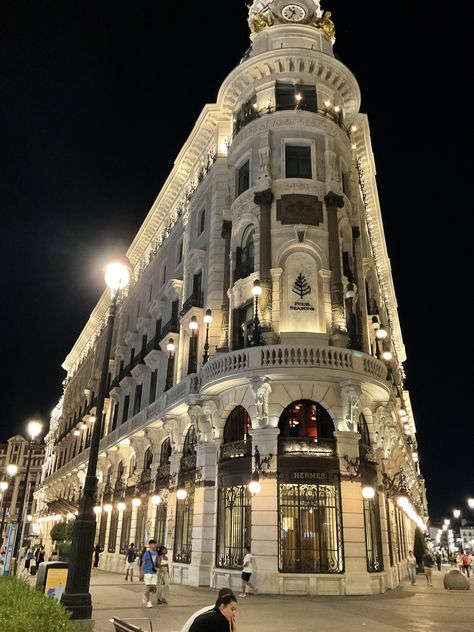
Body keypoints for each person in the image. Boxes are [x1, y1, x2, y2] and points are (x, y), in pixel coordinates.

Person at [141, 539, 159, 608]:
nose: (155, 545)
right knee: (148, 587)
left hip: (154, 571)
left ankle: (145, 594)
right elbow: (143, 563)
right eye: (153, 544)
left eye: (155, 544)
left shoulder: (156, 553)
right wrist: (142, 572)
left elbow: (157, 562)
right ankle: (148, 602)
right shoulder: (147, 553)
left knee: (153, 587)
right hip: (147, 571)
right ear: (150, 545)